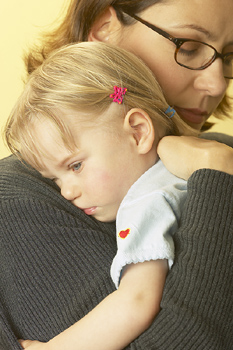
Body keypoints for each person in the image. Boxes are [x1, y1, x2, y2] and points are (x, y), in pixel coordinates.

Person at [0, 0, 233, 349]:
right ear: (104, 28)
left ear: (138, 131)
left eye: (228, 57)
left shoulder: (158, 192)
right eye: (188, 46)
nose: (217, 85)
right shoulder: (20, 200)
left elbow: (136, 301)